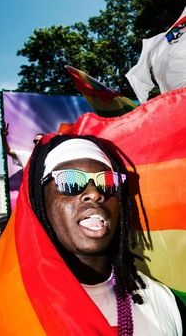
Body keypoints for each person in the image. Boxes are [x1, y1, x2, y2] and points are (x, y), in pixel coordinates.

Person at [29, 134, 184, 335]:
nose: (94, 193)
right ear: (41, 202)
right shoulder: (14, 305)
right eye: (70, 181)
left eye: (107, 182)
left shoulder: (161, 301)